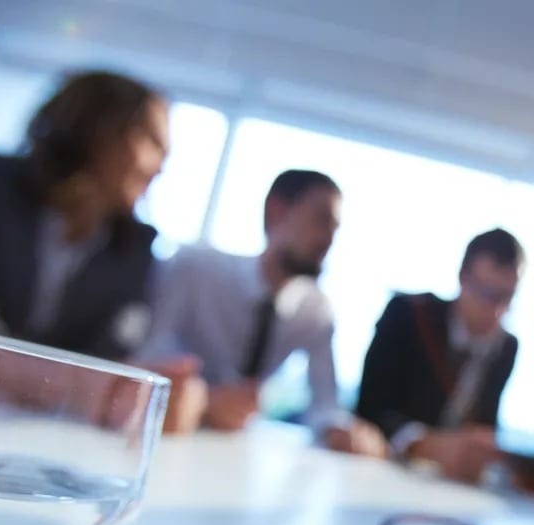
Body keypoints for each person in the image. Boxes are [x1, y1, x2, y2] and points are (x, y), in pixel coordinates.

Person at [0, 70, 168, 361]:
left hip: (47, 404)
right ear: (97, 128)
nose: (161, 165)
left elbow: (113, 346)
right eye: (151, 141)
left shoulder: (134, 247)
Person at [137, 170, 384, 456]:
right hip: (162, 433)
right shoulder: (193, 269)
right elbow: (149, 351)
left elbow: (324, 404)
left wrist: (341, 431)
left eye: (335, 229)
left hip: (233, 450)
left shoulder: (316, 314)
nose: (329, 240)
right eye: (320, 220)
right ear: (276, 212)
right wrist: (206, 398)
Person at [355, 228, 523, 483]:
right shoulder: (408, 315)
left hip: (449, 487)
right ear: (462, 278)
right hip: (379, 473)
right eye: (487, 294)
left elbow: (485, 425)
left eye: (507, 298)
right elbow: (369, 409)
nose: (496, 311)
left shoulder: (506, 347)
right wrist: (424, 444)